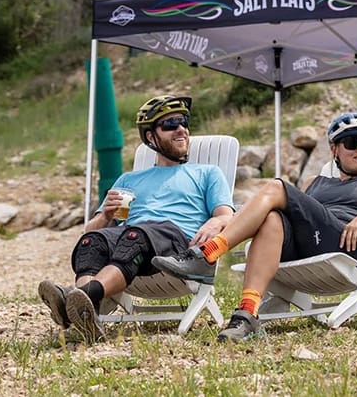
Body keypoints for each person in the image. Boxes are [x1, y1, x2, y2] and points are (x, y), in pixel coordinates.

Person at [153, 112, 357, 343]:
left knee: (277, 187)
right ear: (335, 150)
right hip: (312, 244)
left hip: (348, 246)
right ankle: (247, 312)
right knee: (272, 218)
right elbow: (301, 216)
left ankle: (208, 253)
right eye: (353, 142)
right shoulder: (314, 182)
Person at [37, 94, 234, 343]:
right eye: (170, 124)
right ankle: (87, 316)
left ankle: (79, 298)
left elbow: (227, 216)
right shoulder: (128, 180)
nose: (181, 129)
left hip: (176, 245)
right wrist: (106, 216)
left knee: (136, 235)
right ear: (151, 137)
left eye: (183, 122)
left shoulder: (207, 173)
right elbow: (89, 232)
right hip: (133, 247)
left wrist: (216, 222)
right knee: (94, 242)